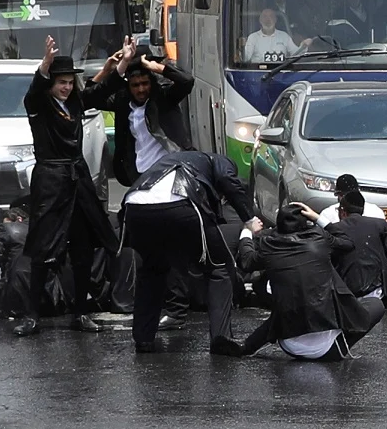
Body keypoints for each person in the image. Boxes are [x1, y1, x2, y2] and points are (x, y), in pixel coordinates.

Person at [18, 38, 117, 336]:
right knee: (43, 250)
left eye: (69, 82)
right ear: (51, 83)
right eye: (60, 82)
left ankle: (80, 313)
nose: (66, 87)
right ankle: (32, 314)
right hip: (50, 180)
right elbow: (33, 92)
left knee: (84, 248)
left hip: (78, 180)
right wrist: (45, 64)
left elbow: (96, 92)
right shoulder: (39, 106)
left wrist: (116, 66)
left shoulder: (74, 101)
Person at [118, 149, 255, 353]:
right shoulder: (218, 160)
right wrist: (249, 218)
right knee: (219, 267)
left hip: (135, 206)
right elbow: (227, 179)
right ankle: (221, 338)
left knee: (153, 269)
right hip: (180, 200)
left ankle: (143, 338)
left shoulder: (170, 160)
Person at [217, 203, 384, 359]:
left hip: (288, 344)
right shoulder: (320, 239)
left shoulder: (269, 245)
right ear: (307, 223)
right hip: (328, 350)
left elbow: (246, 261)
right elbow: (348, 243)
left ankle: (247, 346)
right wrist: (317, 217)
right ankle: (341, 344)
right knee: (376, 304)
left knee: (291, 300)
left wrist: (247, 231)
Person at [97, 39, 195, 187]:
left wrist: (157, 67)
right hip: (140, 175)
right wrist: (106, 71)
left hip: (171, 170)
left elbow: (187, 81)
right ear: (128, 86)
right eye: (135, 85)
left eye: (145, 84)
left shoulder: (164, 98)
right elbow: (91, 98)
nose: (141, 90)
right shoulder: (122, 102)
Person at [324, 189, 387, 307]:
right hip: (378, 293)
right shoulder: (379, 224)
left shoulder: (335, 229)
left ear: (343, 211)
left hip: (347, 294)